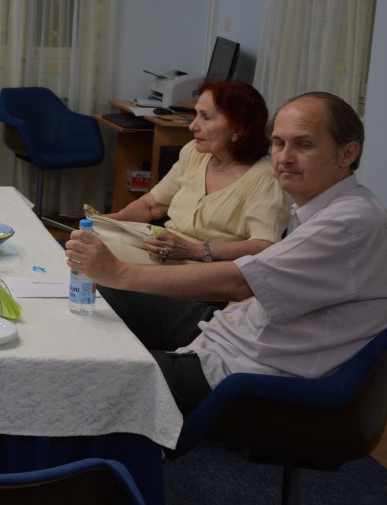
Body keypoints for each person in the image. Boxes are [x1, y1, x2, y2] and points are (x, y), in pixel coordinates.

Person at [65, 92, 387, 415]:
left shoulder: (349, 222)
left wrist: (119, 271)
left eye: (303, 145)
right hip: (235, 329)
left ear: (347, 153)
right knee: (108, 295)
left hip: (241, 368)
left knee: (90, 373)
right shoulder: (330, 210)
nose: (284, 157)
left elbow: (239, 282)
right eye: (278, 143)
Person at [101, 80, 288, 264]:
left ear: (237, 130)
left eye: (205, 117)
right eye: (196, 115)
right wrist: (111, 221)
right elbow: (151, 206)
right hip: (167, 253)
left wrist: (196, 251)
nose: (192, 126)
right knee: (90, 242)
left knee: (102, 264)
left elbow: (264, 245)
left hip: (210, 268)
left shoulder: (266, 178)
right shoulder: (195, 153)